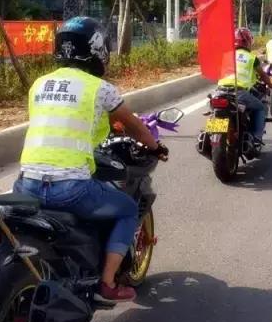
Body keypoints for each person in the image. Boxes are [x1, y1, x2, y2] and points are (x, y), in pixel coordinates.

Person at [14, 17, 167, 303]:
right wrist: (155, 146)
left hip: (26, 185)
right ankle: (107, 283)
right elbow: (132, 124)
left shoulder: (39, 84)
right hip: (69, 188)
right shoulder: (100, 88)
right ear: (97, 49)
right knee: (126, 209)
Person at [218, 27, 272, 148]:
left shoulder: (225, 55)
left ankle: (210, 134)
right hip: (239, 93)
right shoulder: (251, 58)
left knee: (214, 110)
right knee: (261, 108)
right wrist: (271, 84)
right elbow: (263, 75)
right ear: (248, 41)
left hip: (220, 92)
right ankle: (256, 137)